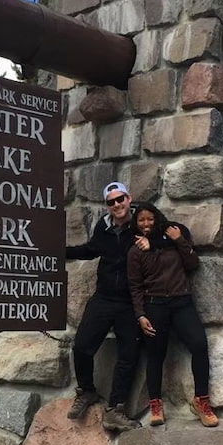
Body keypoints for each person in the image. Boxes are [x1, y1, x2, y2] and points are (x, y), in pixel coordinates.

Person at [64, 182, 153, 432]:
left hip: (130, 301)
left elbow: (169, 233)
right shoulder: (103, 227)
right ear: (107, 205)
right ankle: (87, 391)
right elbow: (91, 250)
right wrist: (60, 251)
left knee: (129, 355)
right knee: (81, 346)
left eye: (120, 199)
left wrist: (152, 242)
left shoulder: (143, 222)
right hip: (103, 297)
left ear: (129, 198)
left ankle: (115, 409)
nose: (117, 205)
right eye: (111, 201)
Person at [126, 202, 218, 428]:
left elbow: (192, 263)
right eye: (141, 220)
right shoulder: (135, 251)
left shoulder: (172, 239)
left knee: (199, 345)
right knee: (156, 355)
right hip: (154, 305)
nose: (146, 223)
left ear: (156, 218)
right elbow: (135, 286)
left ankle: (202, 401)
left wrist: (179, 241)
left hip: (182, 303)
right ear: (136, 223)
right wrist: (140, 315)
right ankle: (156, 404)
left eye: (150, 219)